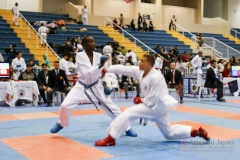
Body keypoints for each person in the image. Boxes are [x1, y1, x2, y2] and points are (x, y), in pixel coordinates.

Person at [95, 54, 210, 146]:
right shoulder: (140, 71)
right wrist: (108, 69)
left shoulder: (156, 77)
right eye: (139, 60)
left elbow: (153, 99)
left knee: (128, 113)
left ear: (149, 64)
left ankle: (111, 138)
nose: (139, 62)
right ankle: (196, 132)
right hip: (157, 108)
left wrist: (141, 100)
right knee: (168, 133)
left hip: (156, 106)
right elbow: (125, 69)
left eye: (142, 61)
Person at [50, 36, 137, 137]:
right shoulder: (80, 56)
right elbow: (86, 73)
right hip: (81, 86)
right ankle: (62, 122)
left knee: (112, 108)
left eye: (94, 42)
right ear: (84, 45)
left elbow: (104, 72)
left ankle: (127, 128)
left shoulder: (99, 56)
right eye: (90, 42)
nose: (93, 44)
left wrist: (105, 84)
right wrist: (99, 66)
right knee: (65, 105)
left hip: (96, 86)